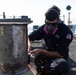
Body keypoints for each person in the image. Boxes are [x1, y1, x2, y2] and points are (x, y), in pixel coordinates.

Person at [28, 5, 73, 75]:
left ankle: (41, 70)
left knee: (62, 65)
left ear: (58, 20)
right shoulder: (43, 28)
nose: (49, 27)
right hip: (46, 56)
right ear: (45, 20)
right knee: (30, 58)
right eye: (47, 23)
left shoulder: (65, 31)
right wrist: (29, 48)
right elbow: (28, 37)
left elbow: (60, 54)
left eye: (53, 24)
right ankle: (42, 69)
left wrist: (40, 51)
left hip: (59, 58)